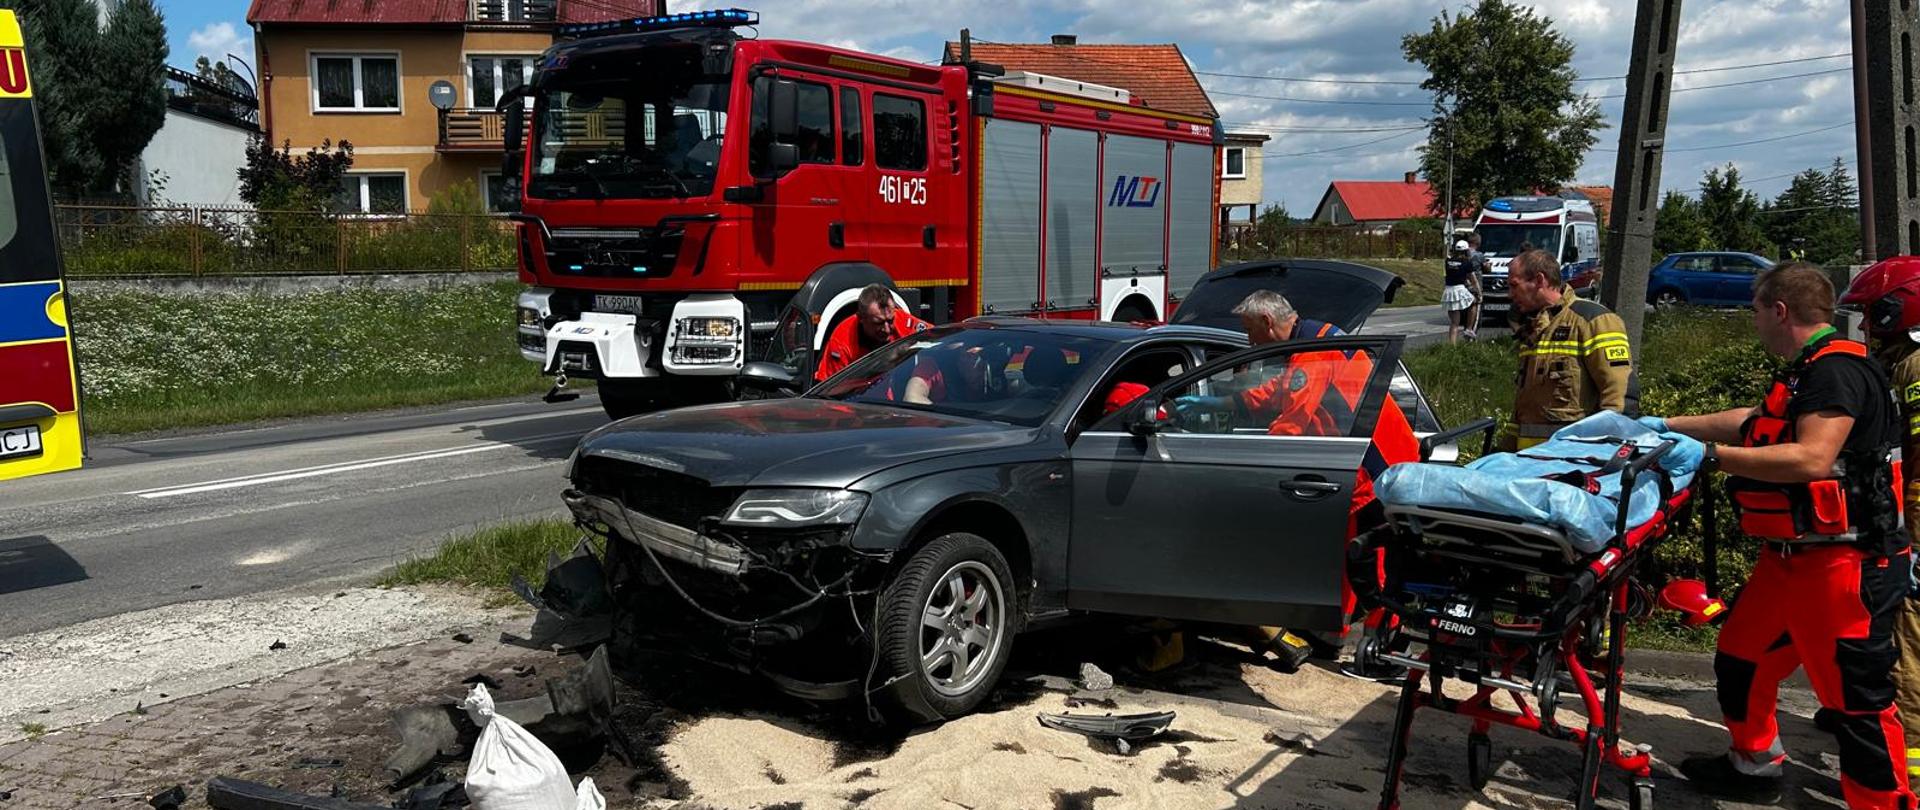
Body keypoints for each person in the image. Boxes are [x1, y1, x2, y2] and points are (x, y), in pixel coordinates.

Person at [1652, 262, 1910, 808]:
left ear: (1780, 310)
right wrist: (1665, 426)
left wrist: (1711, 459)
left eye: (1754, 310)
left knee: (1855, 702)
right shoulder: (1808, 370)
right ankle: (1754, 764)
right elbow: (1756, 421)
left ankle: (1885, 804)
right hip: (1791, 561)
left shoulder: (1835, 372)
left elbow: (1813, 457)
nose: (1753, 322)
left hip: (1844, 567)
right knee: (1743, 656)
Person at [1174, 290, 1418, 676]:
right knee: (1350, 555)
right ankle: (1336, 635)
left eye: (1252, 333)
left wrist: (1254, 463)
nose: (1251, 343)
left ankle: (1384, 654)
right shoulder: (1315, 340)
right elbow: (1277, 393)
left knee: (1372, 563)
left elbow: (1293, 420)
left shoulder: (1313, 357)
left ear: (1269, 323)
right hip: (1359, 465)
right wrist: (1222, 404)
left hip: (1375, 469)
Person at [1839, 256, 1920, 784]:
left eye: (1873, 314)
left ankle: (1906, 765)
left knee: (1908, 626)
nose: (1866, 326)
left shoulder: (1915, 365)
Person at [1503, 248, 1639, 450]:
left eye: (1514, 286)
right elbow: (1524, 408)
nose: (1510, 294)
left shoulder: (1593, 320)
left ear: (1540, 280)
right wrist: (1502, 454)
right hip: (1528, 463)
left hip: (1572, 463)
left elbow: (1619, 396)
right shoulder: (1534, 329)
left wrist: (1605, 454)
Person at [815, 284, 931, 382]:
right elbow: (831, 392)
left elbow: (937, 337)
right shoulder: (841, 341)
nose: (886, 329)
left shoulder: (901, 320)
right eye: (878, 323)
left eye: (890, 321)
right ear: (861, 318)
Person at [1442, 240, 1478, 344]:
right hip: (1459, 289)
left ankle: (1452, 347)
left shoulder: (1447, 261)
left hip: (1448, 291)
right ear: (1466, 251)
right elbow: (1473, 280)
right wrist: (1478, 292)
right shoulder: (1467, 263)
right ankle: (1469, 329)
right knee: (1474, 302)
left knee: (1454, 323)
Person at [1465, 231, 1489, 337]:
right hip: (1476, 285)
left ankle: (1466, 329)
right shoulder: (1479, 255)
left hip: (1464, 285)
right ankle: (1471, 332)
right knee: (1475, 309)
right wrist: (1488, 265)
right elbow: (1487, 269)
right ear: (1478, 243)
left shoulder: (1463, 254)